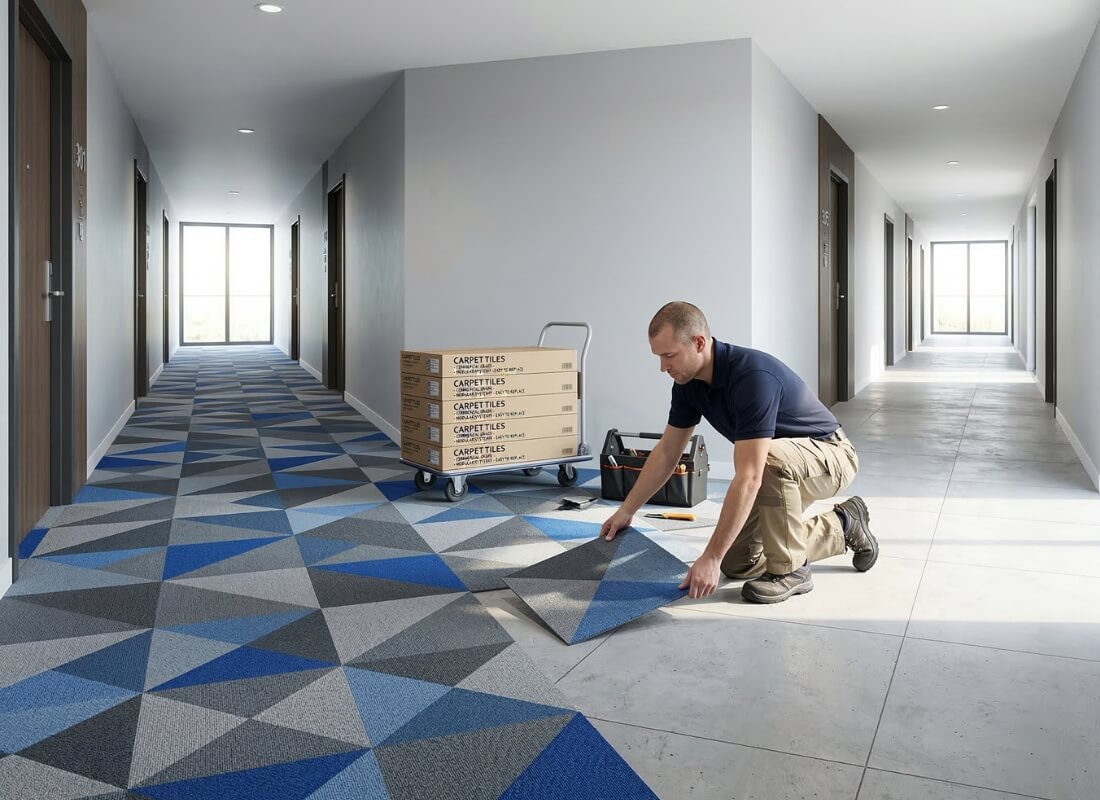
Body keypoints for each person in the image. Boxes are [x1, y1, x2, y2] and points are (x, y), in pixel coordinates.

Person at [600, 302, 878, 604]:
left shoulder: (752, 377)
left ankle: (792, 570)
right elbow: (667, 452)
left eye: (669, 356)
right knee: (737, 562)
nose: (663, 367)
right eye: (658, 357)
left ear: (699, 343)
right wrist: (626, 511)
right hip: (781, 467)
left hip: (830, 456)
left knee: (766, 461)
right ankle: (843, 523)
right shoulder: (687, 384)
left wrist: (710, 556)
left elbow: (750, 475)